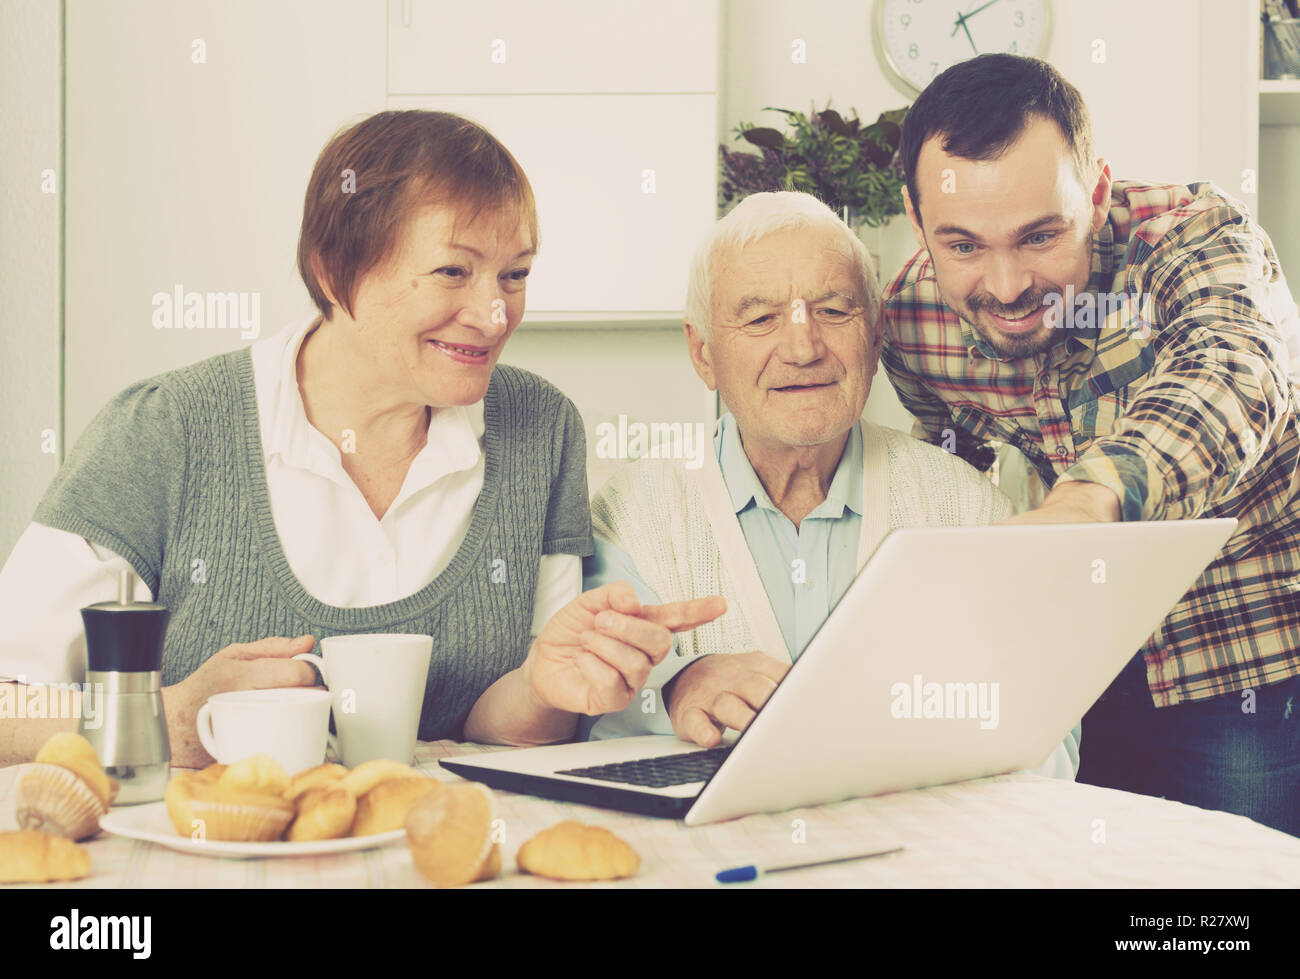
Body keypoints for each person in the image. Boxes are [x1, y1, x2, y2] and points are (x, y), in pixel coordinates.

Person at [0, 109, 721, 768]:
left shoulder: (540, 427)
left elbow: (500, 729)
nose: (494, 313)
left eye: (515, 274)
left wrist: (543, 686)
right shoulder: (168, 429)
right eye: (452, 271)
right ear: (333, 268)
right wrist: (168, 719)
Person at [880, 54, 1300, 835]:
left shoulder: (1197, 236)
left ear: (1097, 193)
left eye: (1040, 237)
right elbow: (945, 458)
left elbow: (1233, 370)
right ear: (917, 216)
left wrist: (1084, 499)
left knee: (1233, 900)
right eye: (964, 245)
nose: (1005, 287)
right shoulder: (911, 322)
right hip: (1085, 662)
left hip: (1251, 655)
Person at [580, 190, 1079, 780]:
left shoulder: (967, 507)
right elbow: (591, 713)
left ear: (874, 339)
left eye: (835, 310)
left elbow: (1049, 738)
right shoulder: (628, 511)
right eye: (761, 317)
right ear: (703, 353)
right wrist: (676, 689)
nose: (802, 347)